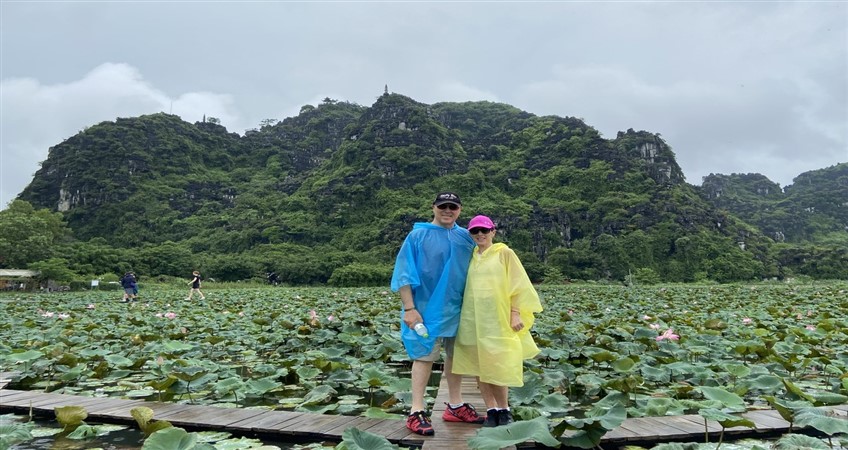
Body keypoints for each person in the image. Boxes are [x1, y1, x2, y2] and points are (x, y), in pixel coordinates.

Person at [391, 192, 484, 436]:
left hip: (457, 307)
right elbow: (404, 273)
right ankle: (416, 411)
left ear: (459, 210)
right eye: (443, 206)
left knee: (456, 356)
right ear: (433, 207)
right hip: (424, 308)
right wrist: (409, 309)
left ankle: (455, 405)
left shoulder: (466, 237)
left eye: (453, 206)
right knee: (424, 357)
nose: (448, 210)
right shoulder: (417, 236)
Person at [452, 215, 543, 427]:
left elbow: (518, 284)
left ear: (493, 231)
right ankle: (491, 409)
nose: (480, 234)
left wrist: (515, 312)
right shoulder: (473, 255)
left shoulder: (504, 253)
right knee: (478, 365)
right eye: (475, 231)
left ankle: (504, 410)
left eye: (484, 230)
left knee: (498, 363)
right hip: (473, 318)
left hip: (498, 318)